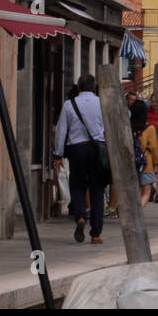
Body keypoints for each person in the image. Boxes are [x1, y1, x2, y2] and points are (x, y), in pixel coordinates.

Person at [54, 74, 108, 244]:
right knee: (97, 189)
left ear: (78, 87)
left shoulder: (69, 105)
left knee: (77, 185)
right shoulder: (102, 103)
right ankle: (96, 233)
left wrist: (58, 154)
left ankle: (80, 217)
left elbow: (61, 131)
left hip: (76, 149)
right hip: (98, 149)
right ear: (94, 87)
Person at [130, 100, 158, 210]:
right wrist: (156, 163)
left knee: (137, 191)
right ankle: (136, 213)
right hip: (145, 164)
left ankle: (134, 211)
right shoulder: (149, 128)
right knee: (146, 192)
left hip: (131, 163)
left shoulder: (128, 128)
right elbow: (154, 148)